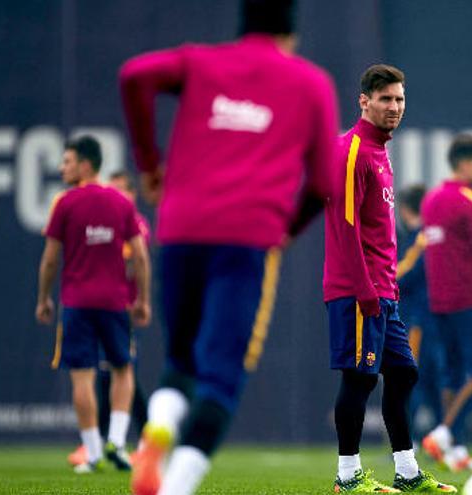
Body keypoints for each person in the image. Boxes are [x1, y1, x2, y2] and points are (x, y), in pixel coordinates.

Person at [118, 1, 340, 493]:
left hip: (181, 228)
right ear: (292, 34)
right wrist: (288, 226)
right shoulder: (309, 82)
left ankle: (159, 425)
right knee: (220, 375)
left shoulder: (200, 60)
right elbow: (326, 181)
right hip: (246, 237)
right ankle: (176, 485)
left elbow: (134, 75)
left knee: (181, 362)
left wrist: (148, 163)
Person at [324, 64, 455, 494]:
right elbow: (345, 228)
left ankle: (407, 472)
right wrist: (364, 291)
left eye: (399, 99)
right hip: (359, 291)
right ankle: (348, 478)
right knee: (359, 379)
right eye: (385, 99)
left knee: (404, 374)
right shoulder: (353, 151)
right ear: (364, 101)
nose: (395, 107)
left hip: (384, 292)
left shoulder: (379, 151)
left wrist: (384, 290)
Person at [36, 136, 151, 473]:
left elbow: (50, 260)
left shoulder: (66, 203)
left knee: (82, 378)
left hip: (77, 302)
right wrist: (142, 300)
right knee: (122, 370)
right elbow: (141, 257)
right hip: (115, 302)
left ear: (86, 165)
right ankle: (116, 439)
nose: (62, 167)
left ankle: (93, 452)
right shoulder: (121, 203)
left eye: (67, 161)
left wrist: (43, 297)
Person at [421, 134, 472, 472]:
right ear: (465, 164)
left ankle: (456, 452)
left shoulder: (432, 200)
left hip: (439, 301)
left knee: (452, 375)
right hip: (469, 299)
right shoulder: (471, 200)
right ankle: (444, 434)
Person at [66, 171, 152, 467]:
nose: (112, 196)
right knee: (111, 374)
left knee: (121, 372)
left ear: (132, 194)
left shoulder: (135, 222)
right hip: (106, 305)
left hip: (121, 307)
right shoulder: (110, 219)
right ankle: (105, 443)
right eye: (110, 189)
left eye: (119, 190)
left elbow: (131, 256)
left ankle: (129, 440)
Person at [396, 185, 445, 443]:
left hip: (417, 319)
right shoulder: (431, 236)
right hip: (431, 317)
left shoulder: (420, 237)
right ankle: (444, 437)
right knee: (430, 379)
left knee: (409, 378)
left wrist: (380, 281)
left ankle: (409, 441)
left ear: (404, 210)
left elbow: (404, 274)